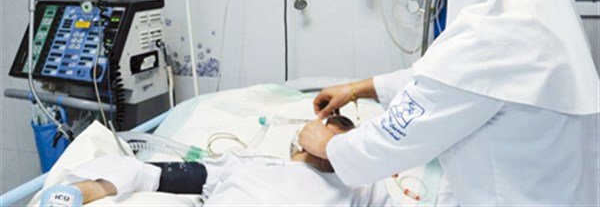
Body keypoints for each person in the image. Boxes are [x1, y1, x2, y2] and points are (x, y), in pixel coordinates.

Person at [298, 0, 600, 205]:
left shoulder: (489, 38)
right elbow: (457, 83)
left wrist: (325, 144)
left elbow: (392, 140)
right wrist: (359, 88)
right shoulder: (539, 21)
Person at [41, 116, 392, 206]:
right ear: (298, 139)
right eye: (326, 127)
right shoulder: (248, 163)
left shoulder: (359, 184)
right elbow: (155, 174)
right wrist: (86, 190)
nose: (328, 136)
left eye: (341, 136)